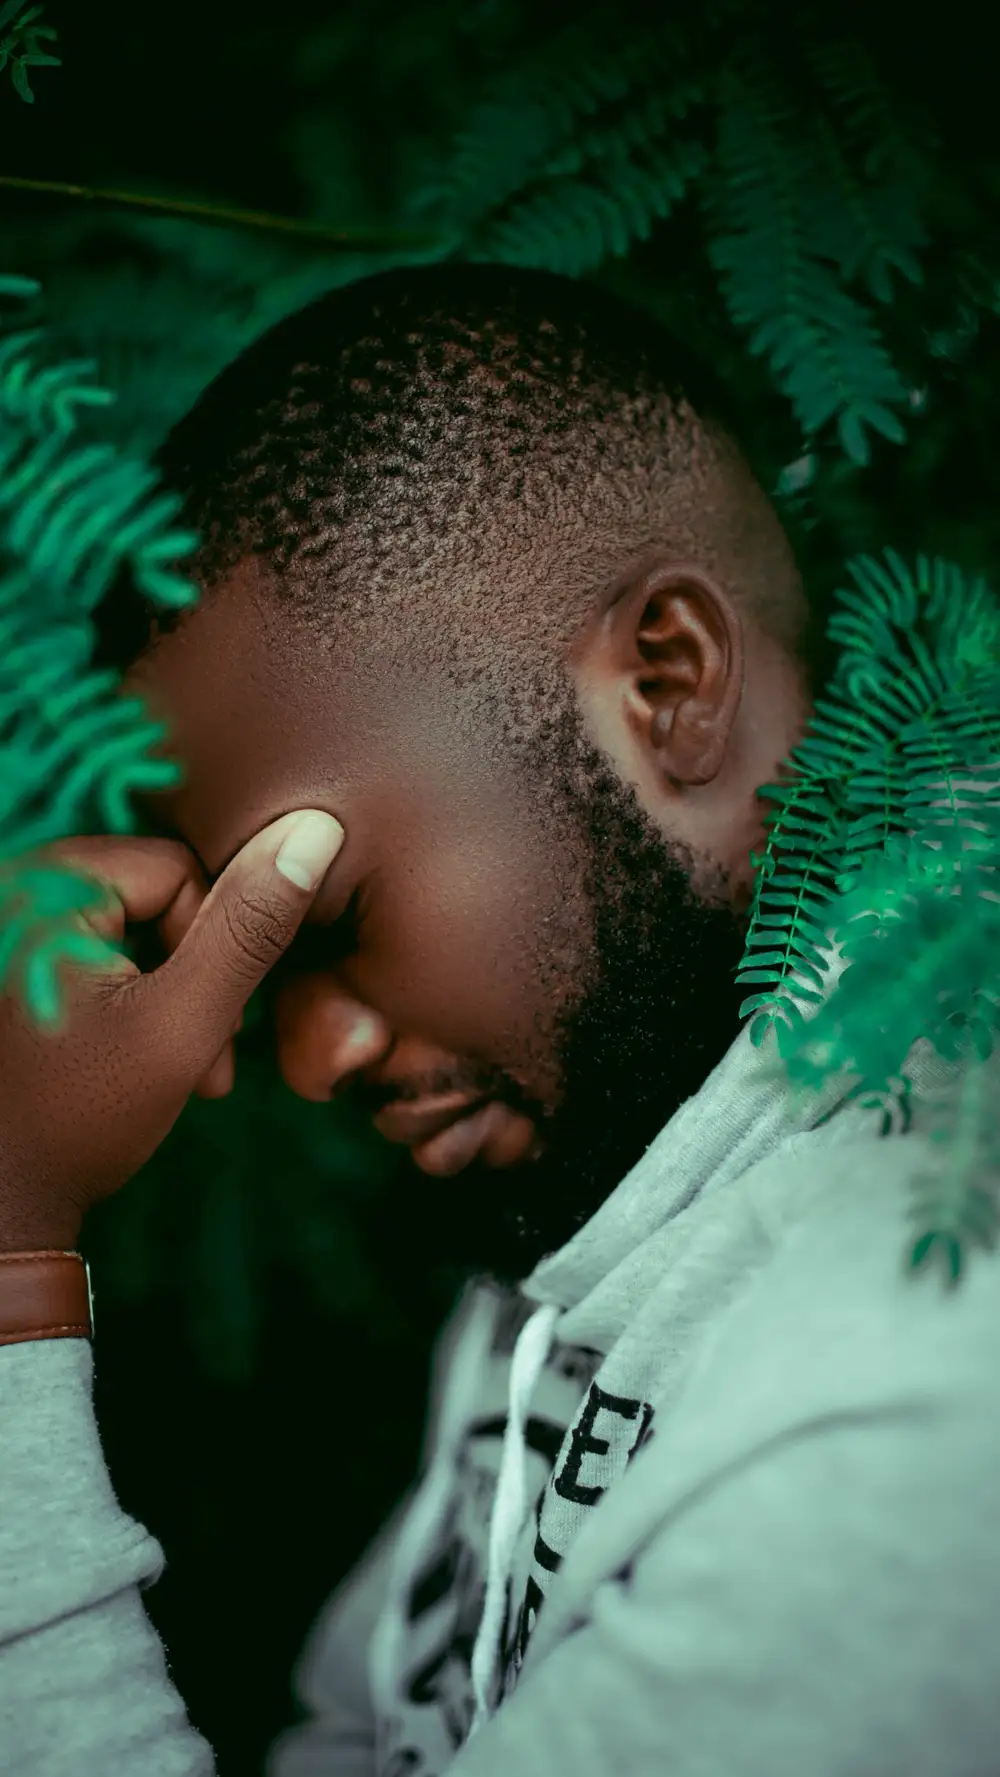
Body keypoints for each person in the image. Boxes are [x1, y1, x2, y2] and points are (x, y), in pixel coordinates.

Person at [1, 264, 998, 1777]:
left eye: (325, 919)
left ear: (668, 683)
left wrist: (8, 1266)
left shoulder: (898, 1417)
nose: (307, 1057)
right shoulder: (605, 1159)